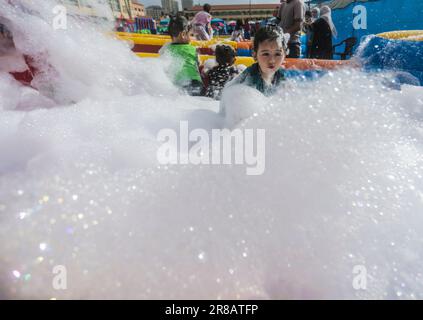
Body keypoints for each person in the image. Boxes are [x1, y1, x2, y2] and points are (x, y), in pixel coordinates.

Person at [223, 25, 290, 97]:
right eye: (266, 54)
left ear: (284, 54)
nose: (272, 60)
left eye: (277, 54)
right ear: (254, 55)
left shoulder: (280, 75)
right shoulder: (250, 80)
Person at [160, 16, 203, 96]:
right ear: (183, 34)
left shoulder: (166, 50)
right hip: (194, 83)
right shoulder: (193, 49)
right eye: (191, 35)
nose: (192, 38)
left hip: (176, 85)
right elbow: (199, 64)